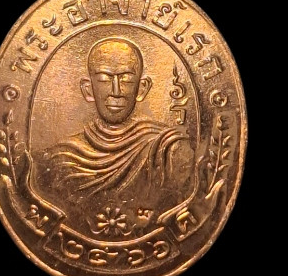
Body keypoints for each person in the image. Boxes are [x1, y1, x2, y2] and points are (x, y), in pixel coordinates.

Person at [34, 37, 194, 236]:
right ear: (88, 89)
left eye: (126, 79)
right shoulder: (59, 158)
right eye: (104, 79)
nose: (116, 91)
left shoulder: (169, 151)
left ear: (142, 88)